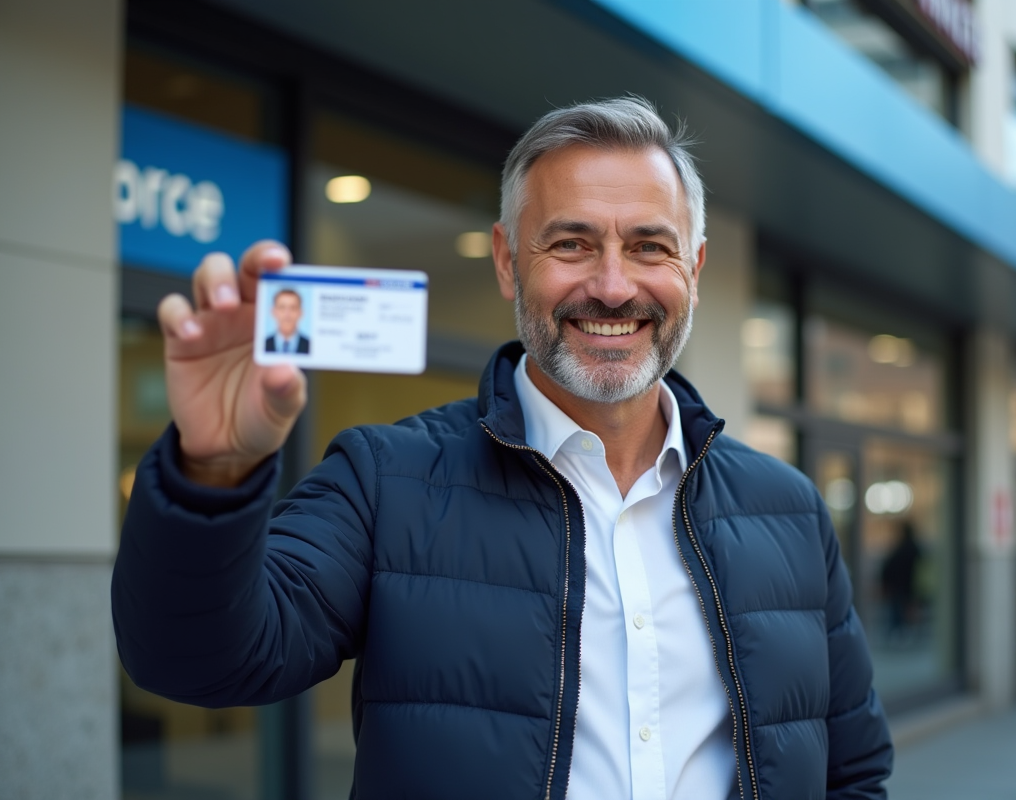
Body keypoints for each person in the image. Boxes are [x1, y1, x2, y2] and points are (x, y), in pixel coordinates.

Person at [112, 97, 892, 799]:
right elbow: (199, 661)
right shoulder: (385, 481)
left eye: (650, 247)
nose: (614, 286)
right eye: (572, 244)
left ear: (694, 266)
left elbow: (851, 774)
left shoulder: (787, 508)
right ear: (505, 260)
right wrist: (212, 470)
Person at [880, 522, 922, 642]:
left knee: (897, 611)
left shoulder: (899, 549)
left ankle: (898, 632)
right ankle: (904, 633)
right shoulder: (914, 549)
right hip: (910, 586)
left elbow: (889, 567)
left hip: (899, 586)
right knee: (906, 610)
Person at [263, 287, 310, 353]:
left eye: (293, 308)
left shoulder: (311, 346)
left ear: (300, 313)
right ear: (273, 312)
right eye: (282, 308)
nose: (287, 314)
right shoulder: (262, 345)